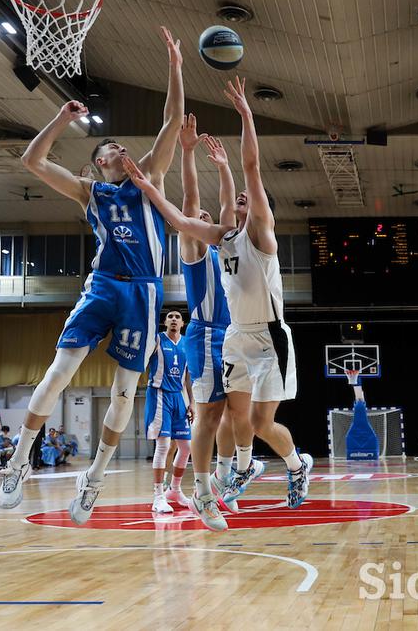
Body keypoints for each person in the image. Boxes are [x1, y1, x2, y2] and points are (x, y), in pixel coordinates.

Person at [0, 26, 184, 525]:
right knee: (60, 373)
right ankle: (18, 462)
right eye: (111, 150)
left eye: (125, 147)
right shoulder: (90, 192)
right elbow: (32, 160)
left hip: (144, 293)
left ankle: (95, 476)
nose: (121, 151)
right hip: (103, 286)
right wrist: (61, 117)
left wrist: (175, 65)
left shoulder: (150, 180)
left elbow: (171, 122)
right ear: (98, 164)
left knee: (125, 393)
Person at [126, 77, 312, 531]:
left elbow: (251, 168)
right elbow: (181, 215)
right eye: (238, 203)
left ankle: (295, 465)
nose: (241, 201)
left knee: (263, 423)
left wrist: (246, 115)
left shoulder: (261, 234)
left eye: (249, 200)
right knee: (232, 414)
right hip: (234, 338)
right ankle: (233, 471)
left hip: (270, 336)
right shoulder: (221, 238)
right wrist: (147, 187)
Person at [175, 113, 265, 515]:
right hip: (206, 332)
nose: (207, 218)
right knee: (209, 414)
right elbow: (191, 200)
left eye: (212, 219)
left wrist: (226, 168)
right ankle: (201, 491)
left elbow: (228, 207)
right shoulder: (194, 251)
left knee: (234, 411)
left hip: (232, 334)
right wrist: (188, 153)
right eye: (201, 219)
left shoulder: (224, 248)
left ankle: (226, 477)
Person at [146, 310, 194, 514]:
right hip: (159, 394)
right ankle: (157, 497)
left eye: (177, 317)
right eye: (170, 317)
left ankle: (174, 490)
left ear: (183, 323)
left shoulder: (187, 343)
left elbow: (188, 376)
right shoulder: (157, 339)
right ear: (165, 322)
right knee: (164, 445)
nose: (173, 319)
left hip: (178, 396)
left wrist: (192, 402)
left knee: (186, 447)